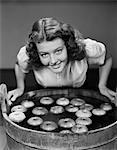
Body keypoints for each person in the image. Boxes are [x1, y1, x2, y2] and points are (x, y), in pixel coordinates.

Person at [8, 17, 116, 104]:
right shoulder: (27, 55)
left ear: (67, 45)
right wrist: (20, 87)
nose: (53, 60)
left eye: (58, 51)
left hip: (81, 93)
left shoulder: (87, 48)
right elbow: (19, 65)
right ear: (37, 53)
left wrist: (102, 85)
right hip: (44, 95)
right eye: (44, 54)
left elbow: (106, 58)